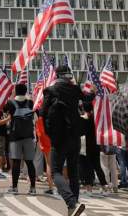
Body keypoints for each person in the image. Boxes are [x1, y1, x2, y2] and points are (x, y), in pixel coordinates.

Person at [42, 65, 95, 216]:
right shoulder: (75, 89)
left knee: (56, 171)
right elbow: (87, 99)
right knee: (73, 172)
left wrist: (48, 133)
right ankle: (74, 207)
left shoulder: (51, 90)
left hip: (59, 138)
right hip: (75, 137)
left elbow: (42, 112)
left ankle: (72, 203)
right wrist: (94, 92)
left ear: (57, 75)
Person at [4, 84, 36, 195]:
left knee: (16, 162)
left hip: (15, 137)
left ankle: (14, 187)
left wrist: (12, 95)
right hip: (28, 136)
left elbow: (4, 111)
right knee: (30, 162)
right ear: (26, 91)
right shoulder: (30, 103)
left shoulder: (10, 103)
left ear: (15, 91)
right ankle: (32, 188)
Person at [80, 102, 108, 195]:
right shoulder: (96, 119)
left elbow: (81, 132)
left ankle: (89, 189)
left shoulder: (85, 120)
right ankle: (105, 187)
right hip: (96, 145)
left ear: (84, 109)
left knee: (88, 167)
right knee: (97, 166)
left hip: (87, 146)